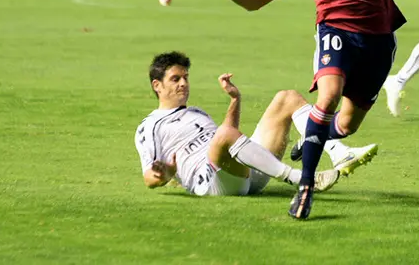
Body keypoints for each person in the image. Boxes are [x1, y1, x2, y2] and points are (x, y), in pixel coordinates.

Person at [204, 0, 406, 219]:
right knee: (328, 97)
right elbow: (254, 0)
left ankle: (313, 134)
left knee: (346, 125)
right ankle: (306, 187)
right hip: (334, 31)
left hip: (378, 38)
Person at [135, 51, 340, 196]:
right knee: (223, 133)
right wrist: (167, 174)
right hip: (212, 183)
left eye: (185, 77)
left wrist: (235, 99)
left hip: (242, 171)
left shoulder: (196, 112)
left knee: (287, 98)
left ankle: (337, 150)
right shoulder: (150, 126)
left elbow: (230, 136)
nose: (183, 83)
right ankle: (302, 179)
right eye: (175, 79)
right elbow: (148, 178)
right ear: (157, 85)